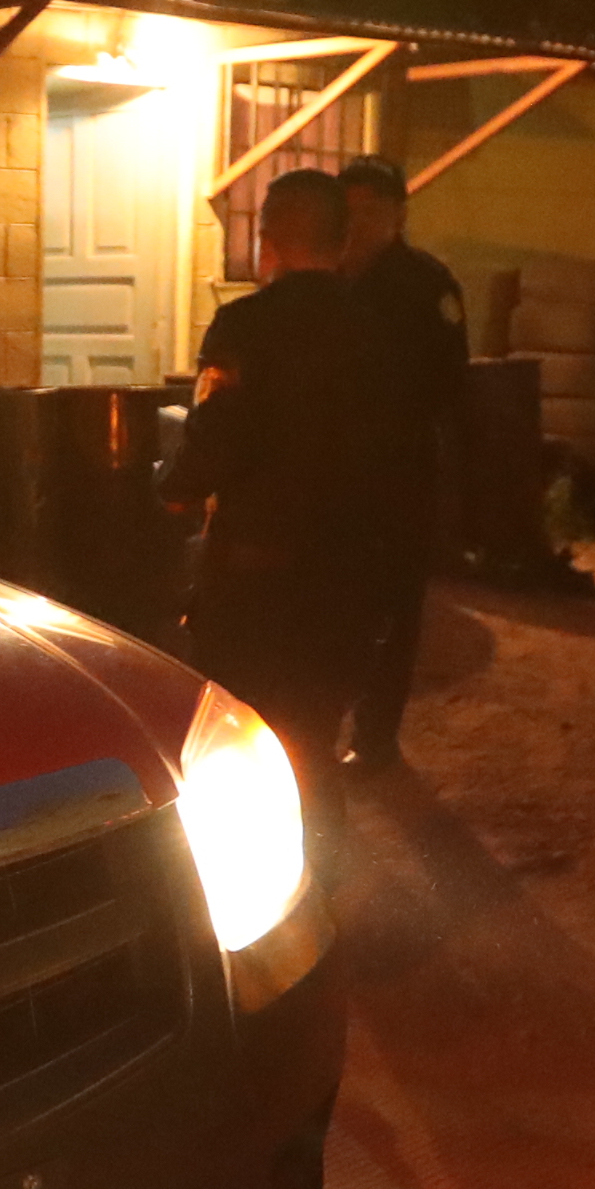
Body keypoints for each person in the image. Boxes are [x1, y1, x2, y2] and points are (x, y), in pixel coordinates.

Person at [161, 167, 379, 835]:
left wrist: (175, 491)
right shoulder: (379, 331)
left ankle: (257, 884)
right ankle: (326, 871)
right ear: (342, 242)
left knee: (240, 729)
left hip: (255, 572)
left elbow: (218, 432)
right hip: (349, 569)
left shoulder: (245, 327)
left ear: (271, 239)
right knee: (313, 731)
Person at [336, 152, 469, 771]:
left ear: (398, 215)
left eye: (373, 210)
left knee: (391, 608)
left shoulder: (425, 285)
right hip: (328, 469)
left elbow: (445, 382)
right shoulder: (325, 281)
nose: (360, 223)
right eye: (350, 211)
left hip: (396, 470)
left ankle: (376, 737)